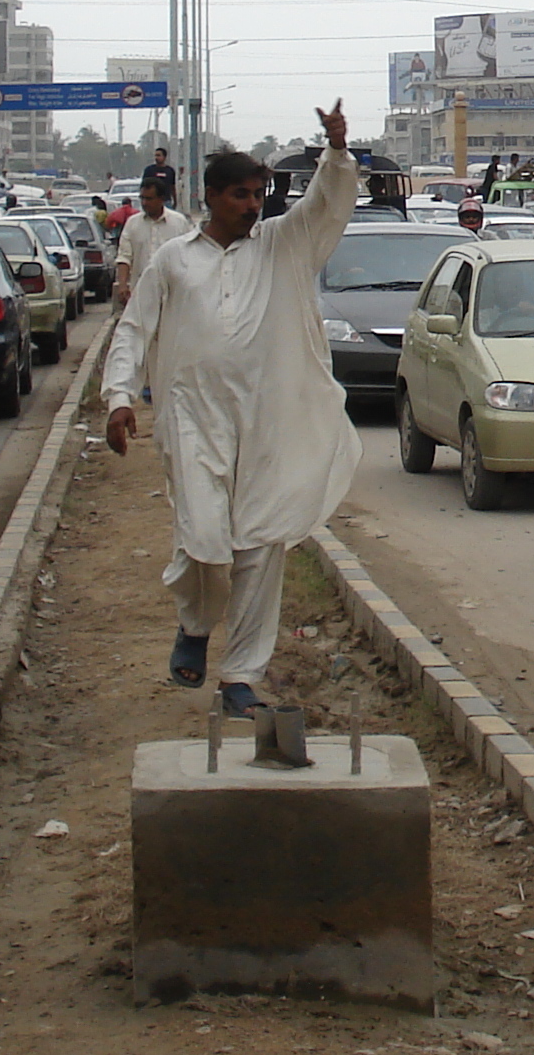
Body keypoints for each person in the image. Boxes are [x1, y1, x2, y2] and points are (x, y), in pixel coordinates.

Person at [104, 106, 363, 720]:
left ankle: (240, 677)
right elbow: (133, 332)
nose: (253, 205)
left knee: (259, 547)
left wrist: (335, 151)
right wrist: (118, 398)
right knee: (204, 538)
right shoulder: (174, 260)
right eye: (241, 195)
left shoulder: (280, 245)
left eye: (259, 194)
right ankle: (195, 622)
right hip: (192, 418)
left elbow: (326, 205)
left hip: (267, 421)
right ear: (211, 197)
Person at [114, 175, 192, 303]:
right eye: (142, 198)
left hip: (173, 294)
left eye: (149, 199)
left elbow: (189, 257)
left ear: (161, 199)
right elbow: (124, 257)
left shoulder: (179, 223)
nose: (144, 203)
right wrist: (122, 285)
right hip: (141, 293)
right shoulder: (132, 224)